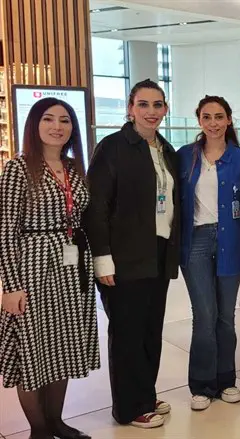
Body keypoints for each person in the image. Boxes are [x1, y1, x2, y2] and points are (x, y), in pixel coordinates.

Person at [0, 98, 99, 439]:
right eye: (48, 119)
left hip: (72, 268)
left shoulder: (74, 168)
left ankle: (56, 421)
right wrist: (11, 287)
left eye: (65, 120)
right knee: (33, 348)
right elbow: (6, 231)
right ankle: (39, 429)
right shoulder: (18, 168)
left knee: (63, 346)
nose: (57, 126)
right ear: (34, 125)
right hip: (33, 267)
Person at [86, 79, 180, 429]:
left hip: (158, 252)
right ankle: (128, 408)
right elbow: (96, 206)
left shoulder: (166, 150)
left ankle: (145, 394)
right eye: (143, 104)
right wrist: (102, 258)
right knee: (127, 333)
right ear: (130, 108)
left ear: (165, 109)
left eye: (157, 105)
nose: (151, 112)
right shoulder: (112, 147)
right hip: (124, 256)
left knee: (150, 330)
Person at [178, 96, 240, 411]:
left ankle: (226, 380)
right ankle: (201, 384)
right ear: (199, 120)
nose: (213, 123)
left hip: (233, 240)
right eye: (206, 116)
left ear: (228, 120)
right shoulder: (185, 157)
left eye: (219, 116)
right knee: (204, 315)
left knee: (226, 317)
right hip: (196, 241)